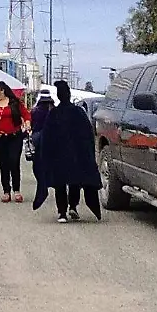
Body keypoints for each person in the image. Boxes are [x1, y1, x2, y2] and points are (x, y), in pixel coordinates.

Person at [32, 81, 102, 222]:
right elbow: (88, 136)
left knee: (60, 183)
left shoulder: (54, 114)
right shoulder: (78, 112)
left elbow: (46, 137)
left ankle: (62, 212)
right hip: (77, 155)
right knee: (75, 181)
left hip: (58, 156)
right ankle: (73, 207)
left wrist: (44, 155)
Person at [0, 81, 28, 203]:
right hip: (0, 137)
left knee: (14, 161)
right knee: (3, 164)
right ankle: (6, 190)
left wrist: (27, 123)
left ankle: (16, 190)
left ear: (2, 90)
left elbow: (26, 115)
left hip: (15, 136)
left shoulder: (14, 103)